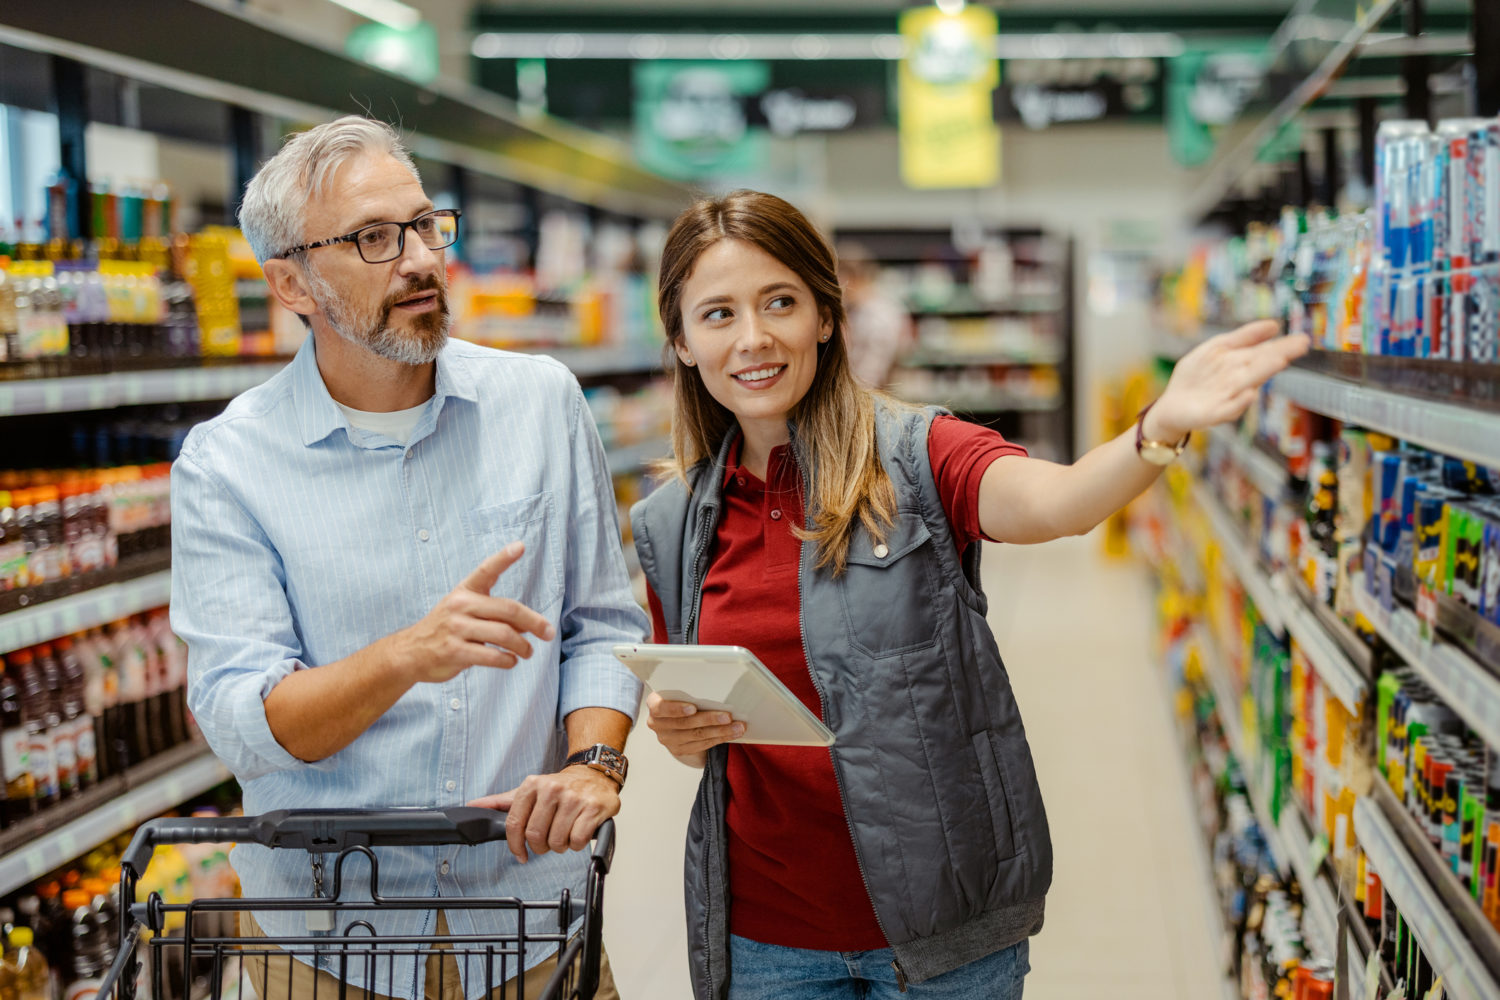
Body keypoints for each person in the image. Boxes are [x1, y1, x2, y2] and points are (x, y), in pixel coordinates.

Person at [631, 189, 1309, 1000]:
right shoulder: (671, 522)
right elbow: (702, 717)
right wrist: (684, 729)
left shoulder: (916, 455)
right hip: (765, 934)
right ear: (679, 340)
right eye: (718, 314)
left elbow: (1056, 503)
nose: (754, 338)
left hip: (944, 932)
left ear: (824, 315)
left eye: (780, 301)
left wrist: (1157, 428)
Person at [169, 116, 646, 1000]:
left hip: (531, 923)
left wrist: (594, 762)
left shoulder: (540, 403)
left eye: (427, 225)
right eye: (374, 240)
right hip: (323, 948)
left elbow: (602, 626)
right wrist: (405, 657)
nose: (422, 258)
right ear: (291, 283)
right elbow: (245, 720)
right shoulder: (227, 464)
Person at [836, 242, 911, 389]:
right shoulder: (859, 308)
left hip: (869, 394)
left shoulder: (877, 314)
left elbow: (872, 372)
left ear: (851, 278)